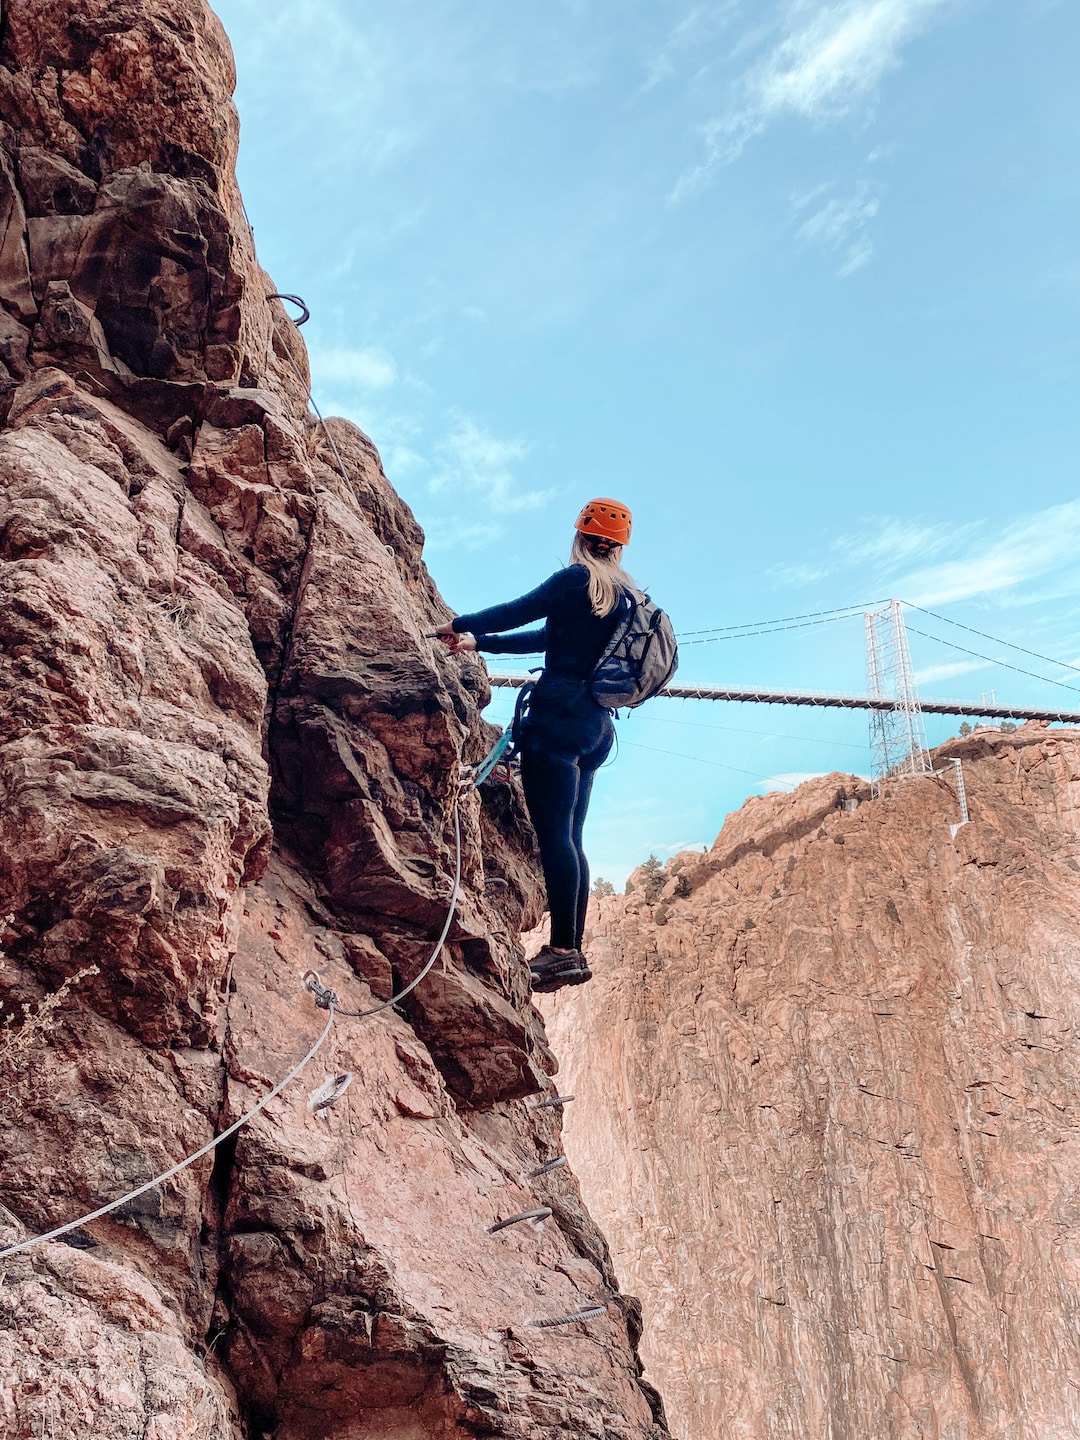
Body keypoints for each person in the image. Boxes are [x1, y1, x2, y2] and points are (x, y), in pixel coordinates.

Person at [436, 499, 635, 993]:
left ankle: (563, 952)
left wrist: (460, 625)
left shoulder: (574, 580)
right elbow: (544, 637)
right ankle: (573, 948)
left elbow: (517, 611)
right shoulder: (622, 596)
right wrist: (478, 644)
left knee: (554, 837)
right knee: (573, 838)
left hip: (558, 716)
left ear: (581, 538)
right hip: (597, 726)